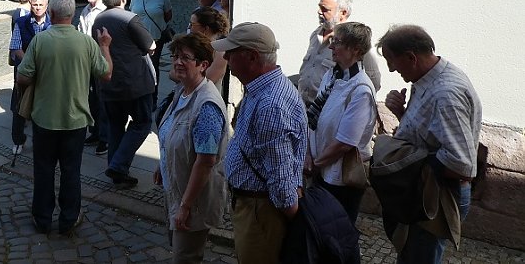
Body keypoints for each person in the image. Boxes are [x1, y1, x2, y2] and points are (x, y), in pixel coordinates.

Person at [376, 24, 482, 264]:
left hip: (436, 196)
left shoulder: (446, 94)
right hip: (426, 190)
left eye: (391, 60)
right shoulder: (427, 77)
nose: (391, 69)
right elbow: (432, 134)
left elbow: (461, 165)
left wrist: (405, 164)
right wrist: (401, 113)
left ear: (411, 57)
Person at [17, 0, 113, 236]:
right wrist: (105, 47)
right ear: (71, 15)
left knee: (44, 170)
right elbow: (106, 74)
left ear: (51, 13)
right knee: (71, 171)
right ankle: (69, 219)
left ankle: (43, 218)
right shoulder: (86, 42)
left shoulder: (40, 41)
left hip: (45, 118)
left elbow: (23, 77)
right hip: (76, 120)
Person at [213, 22, 307, 263]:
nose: (225, 56)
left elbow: (282, 177)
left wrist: (293, 219)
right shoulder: (264, 88)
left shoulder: (270, 105)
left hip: (261, 210)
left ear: (252, 58)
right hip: (255, 206)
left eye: (231, 52)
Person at [305, 22, 377, 264]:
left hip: (339, 178)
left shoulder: (361, 89)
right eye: (333, 41)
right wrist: (308, 155)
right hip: (320, 169)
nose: (332, 46)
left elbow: (345, 142)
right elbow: (314, 117)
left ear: (356, 50)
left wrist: (316, 163)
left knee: (338, 240)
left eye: (338, 43)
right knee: (320, 235)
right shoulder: (333, 74)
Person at [154, 34, 228, 264]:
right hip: (176, 189)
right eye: (175, 56)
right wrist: (163, 163)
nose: (177, 62)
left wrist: (185, 206)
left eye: (185, 57)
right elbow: (174, 134)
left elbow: (205, 161)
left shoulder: (206, 106)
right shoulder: (182, 91)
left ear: (203, 65)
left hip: (192, 201)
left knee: (185, 257)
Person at [94, 0, 156, 189]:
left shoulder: (98, 19)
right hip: (134, 83)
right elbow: (151, 45)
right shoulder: (130, 18)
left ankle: (116, 170)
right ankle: (119, 165)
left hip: (109, 83)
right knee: (142, 122)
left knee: (115, 126)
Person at [297, 0, 381, 108]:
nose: (319, 12)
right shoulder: (316, 35)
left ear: (343, 13)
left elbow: (374, 83)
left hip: (330, 113)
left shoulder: (356, 42)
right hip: (306, 109)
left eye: (325, 9)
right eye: (319, 7)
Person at [9, 0, 51, 155]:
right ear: (30, 5)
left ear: (46, 6)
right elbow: (15, 46)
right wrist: (30, 61)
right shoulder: (21, 22)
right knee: (19, 106)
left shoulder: (52, 23)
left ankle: (42, 141)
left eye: (41, 5)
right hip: (25, 72)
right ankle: (18, 140)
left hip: (46, 73)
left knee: (44, 108)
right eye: (35, 5)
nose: (38, 8)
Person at [78, 0, 109, 155]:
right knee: (92, 99)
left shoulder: (104, 11)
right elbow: (82, 33)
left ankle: (105, 138)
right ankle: (95, 132)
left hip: (101, 60)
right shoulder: (85, 11)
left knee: (102, 99)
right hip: (87, 61)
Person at [129, 0, 173, 85]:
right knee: (138, 66)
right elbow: (132, 13)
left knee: (153, 66)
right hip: (137, 39)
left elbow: (168, 15)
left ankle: (153, 92)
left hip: (155, 38)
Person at [188, 7, 229, 89]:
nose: (189, 28)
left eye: (193, 24)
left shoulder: (219, 53)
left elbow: (206, 82)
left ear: (205, 29)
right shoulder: (190, 46)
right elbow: (173, 74)